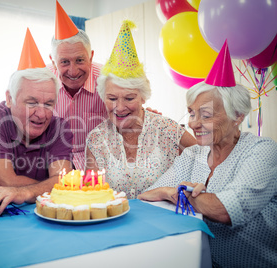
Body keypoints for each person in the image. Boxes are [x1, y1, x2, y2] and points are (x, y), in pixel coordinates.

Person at [138, 41, 277, 267]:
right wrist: (170, 191)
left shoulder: (262, 151)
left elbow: (226, 210)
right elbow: (147, 196)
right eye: (192, 113)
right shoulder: (193, 154)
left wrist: (180, 195)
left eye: (206, 115)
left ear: (238, 115)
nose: (193, 123)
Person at [85, 21, 196, 199]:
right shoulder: (96, 139)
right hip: (115, 224)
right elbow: (91, 197)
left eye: (129, 98)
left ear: (143, 97)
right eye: (112, 98)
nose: (120, 107)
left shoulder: (168, 130)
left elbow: (205, 162)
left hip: (163, 222)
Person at [0, 28, 73, 218]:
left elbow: (63, 182)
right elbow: (6, 180)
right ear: (10, 98)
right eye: (32, 102)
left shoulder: (60, 126)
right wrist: (46, 186)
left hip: (48, 215)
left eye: (49, 103)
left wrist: (25, 192)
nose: (42, 114)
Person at [48, 1, 107, 170]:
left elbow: (128, 109)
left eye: (80, 60)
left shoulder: (108, 79)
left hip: (98, 161)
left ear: (91, 56)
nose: (73, 71)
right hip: (51, 161)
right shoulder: (40, 82)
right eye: (64, 62)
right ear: (53, 61)